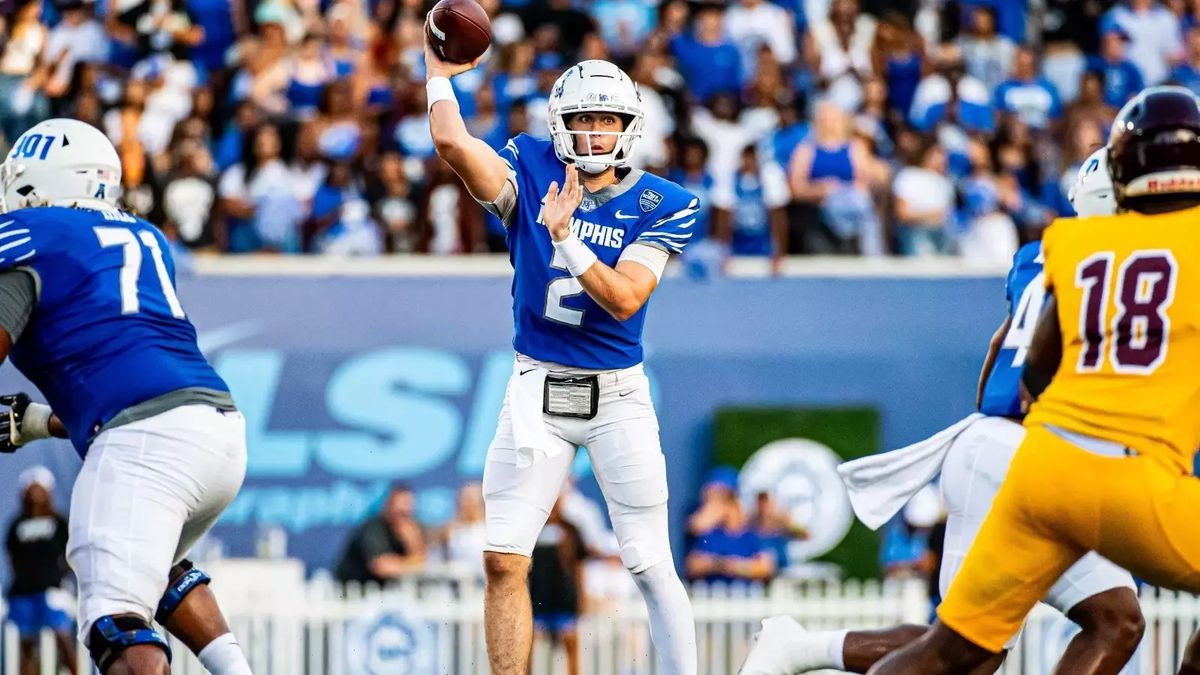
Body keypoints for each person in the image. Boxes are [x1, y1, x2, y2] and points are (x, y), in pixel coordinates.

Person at [740, 147, 1151, 675]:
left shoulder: (1040, 254)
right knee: (970, 650)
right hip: (1024, 455)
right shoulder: (1120, 263)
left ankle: (802, 649)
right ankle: (801, 649)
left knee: (1105, 623)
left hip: (1003, 447)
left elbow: (999, 348)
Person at [865, 85, 1200, 675]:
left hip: (1041, 467)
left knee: (952, 651)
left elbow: (1038, 362)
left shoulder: (1074, 243)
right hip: (1134, 475)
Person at [426, 32, 699, 675]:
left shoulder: (662, 202)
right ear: (560, 123)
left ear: (628, 127)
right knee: (501, 558)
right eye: (583, 118)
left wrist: (567, 239)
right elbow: (453, 145)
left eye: (607, 120)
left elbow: (626, 298)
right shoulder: (529, 165)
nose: (596, 133)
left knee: (649, 561)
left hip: (618, 394)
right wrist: (439, 75)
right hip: (536, 387)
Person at [0, 118, 251, 675]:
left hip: (145, 440)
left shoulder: (30, 235)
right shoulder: (144, 235)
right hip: (217, 428)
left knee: (115, 622)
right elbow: (118, 375)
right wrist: (38, 422)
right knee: (150, 561)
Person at [6, 466, 75, 675]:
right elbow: (12, 557)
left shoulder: (59, 522)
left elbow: (70, 554)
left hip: (52, 590)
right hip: (23, 592)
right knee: (25, 644)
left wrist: (65, 580)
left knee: (62, 637)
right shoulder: (17, 525)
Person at [529, 498, 587, 675]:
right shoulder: (531, 529)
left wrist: (582, 598)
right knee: (528, 645)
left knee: (571, 643)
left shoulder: (570, 529)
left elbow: (578, 567)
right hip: (537, 598)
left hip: (563, 598)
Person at [335, 485, 427, 584]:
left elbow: (420, 561)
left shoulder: (411, 528)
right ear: (388, 507)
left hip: (385, 591)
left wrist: (413, 541)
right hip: (351, 589)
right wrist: (411, 564)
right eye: (399, 511)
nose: (403, 516)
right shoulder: (373, 527)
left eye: (407, 512)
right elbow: (381, 567)